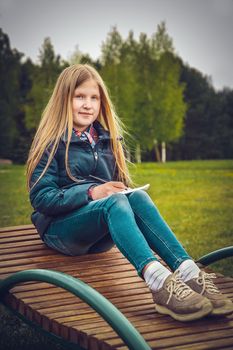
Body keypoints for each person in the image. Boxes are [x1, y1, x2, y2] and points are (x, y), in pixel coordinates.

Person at [26, 64, 233, 322]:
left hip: (97, 235)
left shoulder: (107, 139)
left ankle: (189, 271)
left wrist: (119, 190)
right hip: (60, 231)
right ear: (63, 100)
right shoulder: (51, 141)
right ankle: (159, 283)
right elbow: (41, 198)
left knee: (137, 197)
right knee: (113, 203)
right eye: (79, 97)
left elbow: (120, 195)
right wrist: (92, 192)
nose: (87, 104)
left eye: (94, 97)